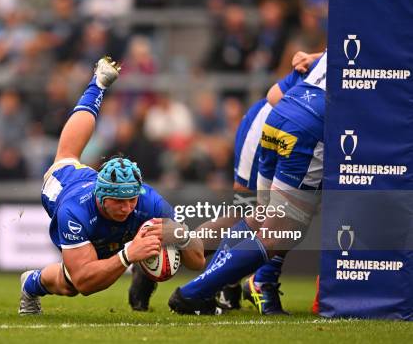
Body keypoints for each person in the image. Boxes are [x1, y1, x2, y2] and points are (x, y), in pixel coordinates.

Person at [128, 51, 323, 314]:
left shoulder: (334, 54)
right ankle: (212, 281)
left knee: (263, 215)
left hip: (274, 122)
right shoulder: (354, 57)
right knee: (254, 215)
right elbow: (275, 95)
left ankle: (223, 280)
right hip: (279, 125)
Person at [18, 57, 206, 315]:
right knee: (71, 285)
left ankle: (99, 83)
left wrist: (182, 234)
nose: (128, 207)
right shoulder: (74, 212)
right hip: (65, 185)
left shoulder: (148, 201)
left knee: (154, 233)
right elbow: (85, 282)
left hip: (110, 220)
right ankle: (31, 283)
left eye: (131, 199)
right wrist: (129, 255)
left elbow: (197, 262)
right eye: (119, 201)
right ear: (101, 197)